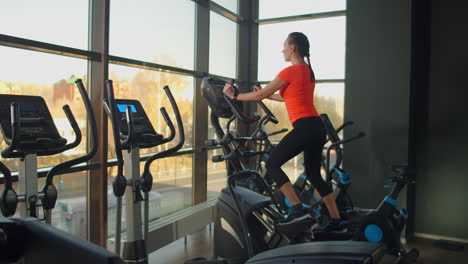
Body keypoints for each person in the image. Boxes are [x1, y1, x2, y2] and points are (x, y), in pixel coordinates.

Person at [223, 32, 343, 231]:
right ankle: (336, 219)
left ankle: (296, 207)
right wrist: (266, 95)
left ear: (293, 47)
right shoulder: (308, 71)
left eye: (285, 46)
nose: (283, 50)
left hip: (305, 126)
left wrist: (235, 96)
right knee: (314, 174)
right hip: (316, 126)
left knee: (272, 164)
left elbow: (261, 93)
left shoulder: (290, 71)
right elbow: (285, 97)